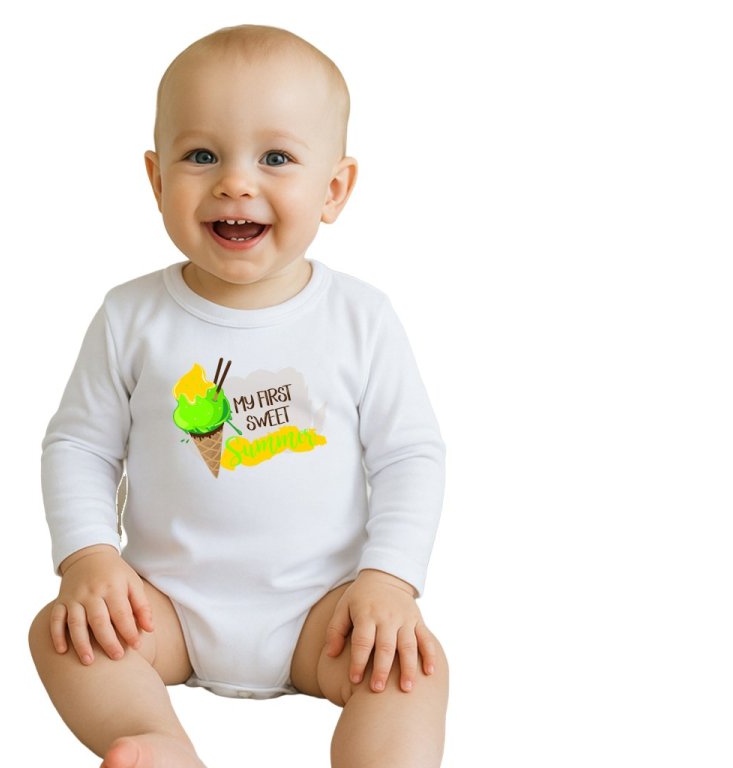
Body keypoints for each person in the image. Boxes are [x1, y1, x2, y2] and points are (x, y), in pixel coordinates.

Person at [29, 24, 449, 768]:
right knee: (62, 632)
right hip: (162, 609)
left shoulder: (361, 318)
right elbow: (79, 446)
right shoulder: (131, 317)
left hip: (326, 615)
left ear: (334, 189)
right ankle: (161, 742)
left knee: (414, 664)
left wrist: (389, 582)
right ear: (157, 179)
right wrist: (88, 558)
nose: (235, 183)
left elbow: (409, 456)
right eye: (201, 156)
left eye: (275, 158)